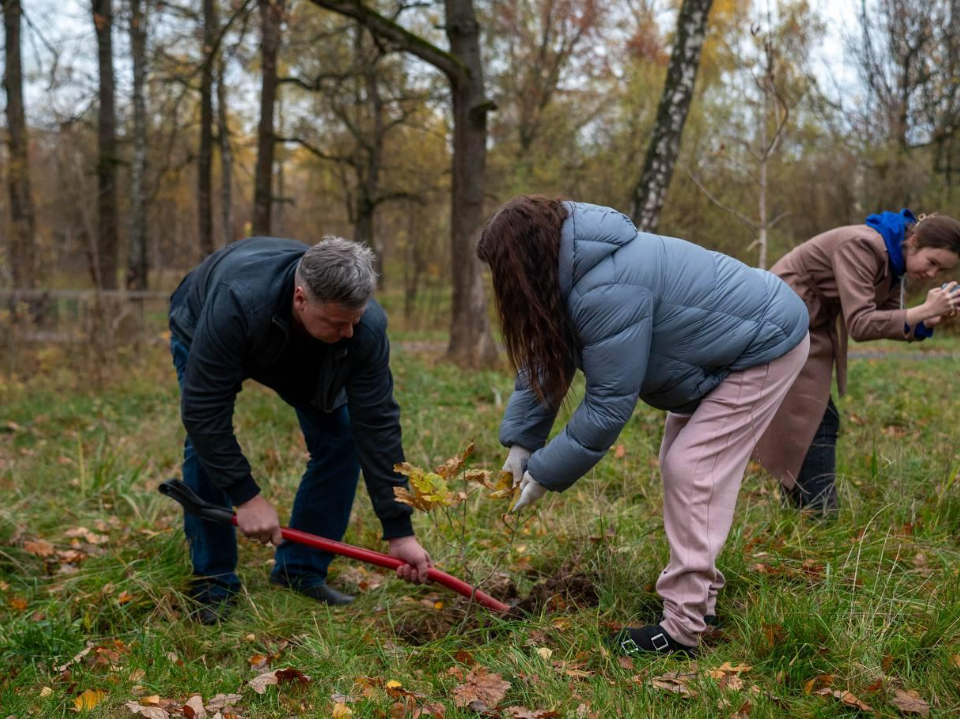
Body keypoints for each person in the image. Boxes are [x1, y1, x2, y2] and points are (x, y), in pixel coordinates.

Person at [479, 196, 810, 656]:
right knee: (689, 470)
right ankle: (701, 601)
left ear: (526, 260)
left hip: (763, 343)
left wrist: (546, 471)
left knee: (691, 469)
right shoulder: (575, 270)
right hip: (722, 350)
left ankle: (681, 631)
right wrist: (521, 443)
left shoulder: (607, 284)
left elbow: (609, 404)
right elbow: (545, 360)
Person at [168, 236, 432, 624]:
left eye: (355, 319)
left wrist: (399, 531)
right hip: (206, 323)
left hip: (305, 349)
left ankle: (300, 571)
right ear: (300, 297)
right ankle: (214, 581)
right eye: (339, 322)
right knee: (205, 445)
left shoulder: (360, 328)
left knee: (341, 440)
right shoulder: (236, 301)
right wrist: (247, 497)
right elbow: (204, 413)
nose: (349, 333)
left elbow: (376, 424)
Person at [755, 211, 960, 514]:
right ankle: (818, 514)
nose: (932, 274)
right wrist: (920, 311)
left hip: (809, 321)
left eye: (941, 270)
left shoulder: (893, 261)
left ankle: (803, 508)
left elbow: (885, 319)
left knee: (813, 414)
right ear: (913, 241)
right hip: (782, 314)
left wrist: (927, 317)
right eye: (932, 262)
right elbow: (861, 324)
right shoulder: (862, 246)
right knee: (811, 413)